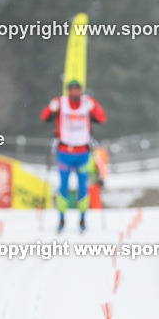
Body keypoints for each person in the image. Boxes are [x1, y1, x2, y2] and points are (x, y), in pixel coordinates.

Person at [39, 80, 106, 232]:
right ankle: (61, 218)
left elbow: (102, 118)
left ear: (81, 91)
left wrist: (93, 108)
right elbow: (44, 117)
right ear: (68, 91)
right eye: (72, 90)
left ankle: (82, 218)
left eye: (77, 90)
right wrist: (51, 108)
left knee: (83, 187)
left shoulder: (88, 102)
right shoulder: (60, 102)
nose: (75, 92)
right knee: (63, 186)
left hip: (83, 152)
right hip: (64, 152)